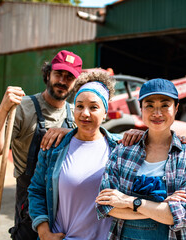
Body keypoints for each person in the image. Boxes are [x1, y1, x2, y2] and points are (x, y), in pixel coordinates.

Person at [0, 50, 82, 240]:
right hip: (30, 208)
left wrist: (73, 132)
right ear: (48, 74)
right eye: (58, 73)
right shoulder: (23, 108)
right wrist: (3, 110)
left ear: (76, 83)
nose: (62, 80)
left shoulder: (78, 115)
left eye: (69, 77)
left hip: (67, 208)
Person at [96, 78, 186, 240]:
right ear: (141, 109)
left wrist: (129, 201)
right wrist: (161, 210)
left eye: (165, 105)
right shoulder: (123, 151)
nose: (157, 113)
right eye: (150, 105)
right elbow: (105, 206)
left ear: (176, 108)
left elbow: (185, 215)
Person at [28, 71, 122, 240]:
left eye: (93, 107)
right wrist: (43, 232)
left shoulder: (121, 148)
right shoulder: (54, 148)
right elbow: (37, 191)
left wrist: (185, 140)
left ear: (105, 112)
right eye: (79, 106)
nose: (85, 113)